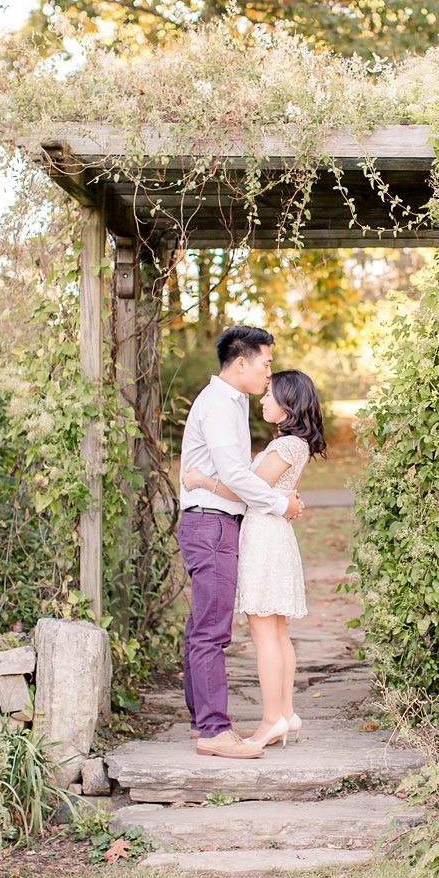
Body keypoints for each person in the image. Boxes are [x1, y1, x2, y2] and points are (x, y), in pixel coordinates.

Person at [176, 325, 306, 759]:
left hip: (216, 521)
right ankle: (214, 730)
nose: (270, 375)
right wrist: (278, 503)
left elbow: (239, 474)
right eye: (266, 364)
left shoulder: (233, 404)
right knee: (211, 631)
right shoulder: (217, 405)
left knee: (203, 627)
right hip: (210, 522)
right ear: (241, 362)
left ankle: (203, 721)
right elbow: (235, 476)